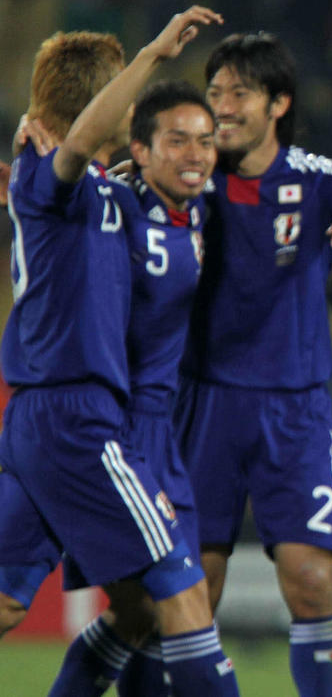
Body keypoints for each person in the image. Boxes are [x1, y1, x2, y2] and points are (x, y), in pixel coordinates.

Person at [0, 10, 242, 697]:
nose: (134, 110)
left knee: (12, 600)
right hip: (77, 418)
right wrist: (154, 53)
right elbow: (71, 151)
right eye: (128, 100)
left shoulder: (106, 190)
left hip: (40, 421)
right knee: (179, 585)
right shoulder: (53, 174)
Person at [177, 32, 332, 697]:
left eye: (238, 93)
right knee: (195, 590)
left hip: (293, 411)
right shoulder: (192, 175)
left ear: (277, 103)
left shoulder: (313, 178)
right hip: (205, 405)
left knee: (310, 582)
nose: (221, 107)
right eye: (214, 93)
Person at [37, 80, 221, 696]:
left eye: (205, 140)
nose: (195, 153)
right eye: (178, 141)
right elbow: (60, 188)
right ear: (141, 150)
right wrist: (29, 178)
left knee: (143, 615)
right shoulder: (108, 208)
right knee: (184, 602)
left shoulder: (196, 204)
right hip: (114, 431)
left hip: (162, 436)